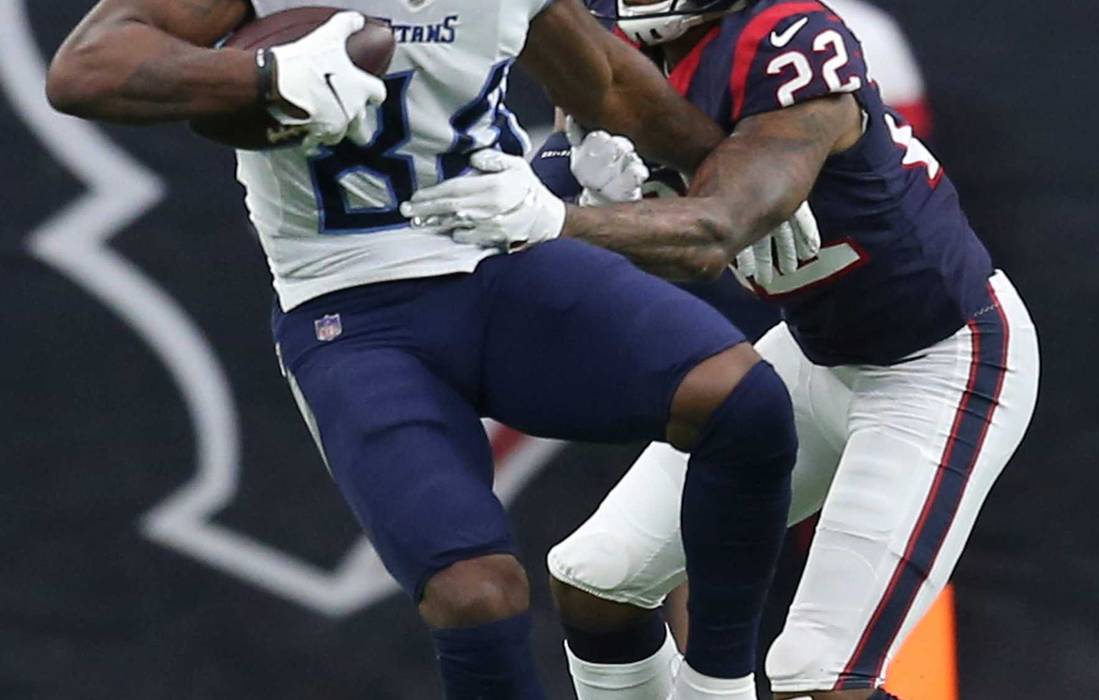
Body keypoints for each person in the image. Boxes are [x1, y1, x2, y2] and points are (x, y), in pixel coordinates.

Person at [45, 1, 807, 698]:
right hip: (348, 307)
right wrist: (262, 75)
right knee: (474, 595)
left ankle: (716, 684)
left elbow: (604, 79)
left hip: (500, 254)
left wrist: (725, 191)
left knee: (744, 402)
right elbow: (87, 67)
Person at [404, 0, 1041, 697]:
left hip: (937, 359)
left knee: (819, 677)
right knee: (599, 580)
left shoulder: (792, 41)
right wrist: (560, 182)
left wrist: (561, 218)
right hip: (814, 354)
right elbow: (561, 160)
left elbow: (713, 232)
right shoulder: (610, 33)